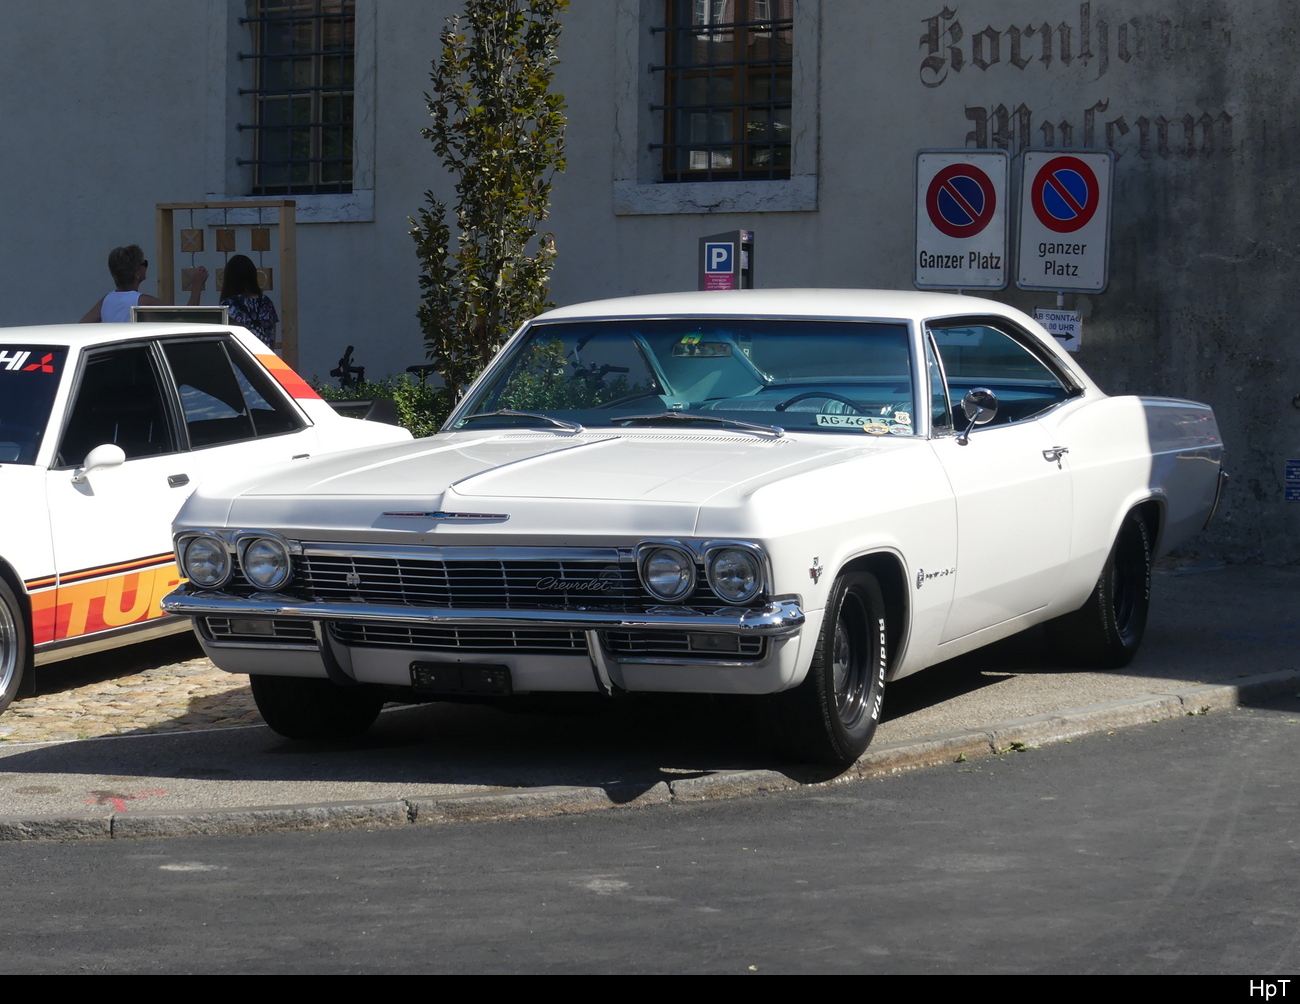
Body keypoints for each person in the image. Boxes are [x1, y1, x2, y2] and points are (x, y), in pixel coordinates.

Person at [80, 244, 206, 322]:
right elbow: (186, 317)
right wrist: (197, 286)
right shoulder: (143, 301)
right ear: (136, 271)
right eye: (144, 263)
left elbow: (82, 325)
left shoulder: (106, 300)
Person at [220, 254, 279, 349]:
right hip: (265, 356)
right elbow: (272, 335)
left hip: (240, 357)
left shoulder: (229, 305)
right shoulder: (267, 302)